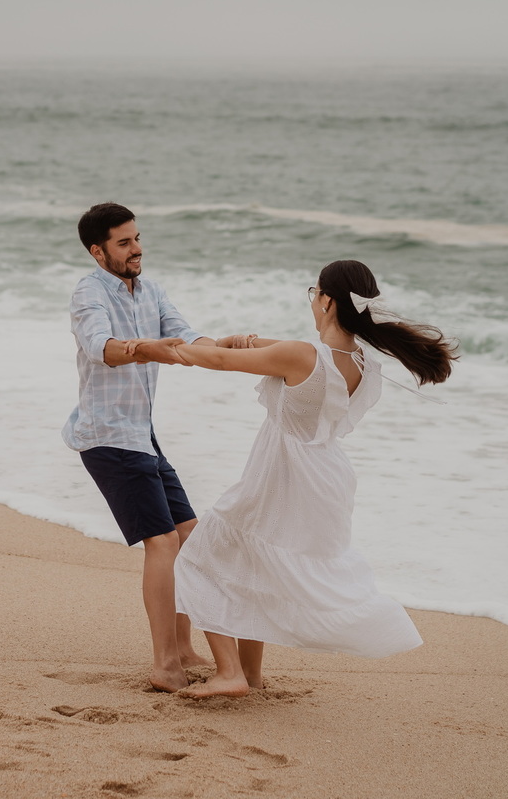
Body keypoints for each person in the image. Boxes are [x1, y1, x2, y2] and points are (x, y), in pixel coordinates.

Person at [152, 259, 458, 698]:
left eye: (314, 293)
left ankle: (229, 672)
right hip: (325, 476)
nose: (312, 302)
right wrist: (247, 340)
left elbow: (220, 360)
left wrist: (165, 349)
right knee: (254, 565)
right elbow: (269, 350)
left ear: (328, 301)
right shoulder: (361, 361)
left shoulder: (302, 355)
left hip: (284, 473)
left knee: (200, 556)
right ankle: (250, 676)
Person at [62, 202, 253, 692]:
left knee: (190, 537)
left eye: (138, 238)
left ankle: (185, 650)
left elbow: (184, 336)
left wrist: (222, 346)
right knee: (163, 542)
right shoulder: (88, 293)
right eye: (124, 242)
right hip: (107, 437)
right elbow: (101, 348)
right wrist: (149, 349)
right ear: (98, 251)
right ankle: (165, 664)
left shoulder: (151, 291)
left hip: (143, 438)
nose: (137, 249)